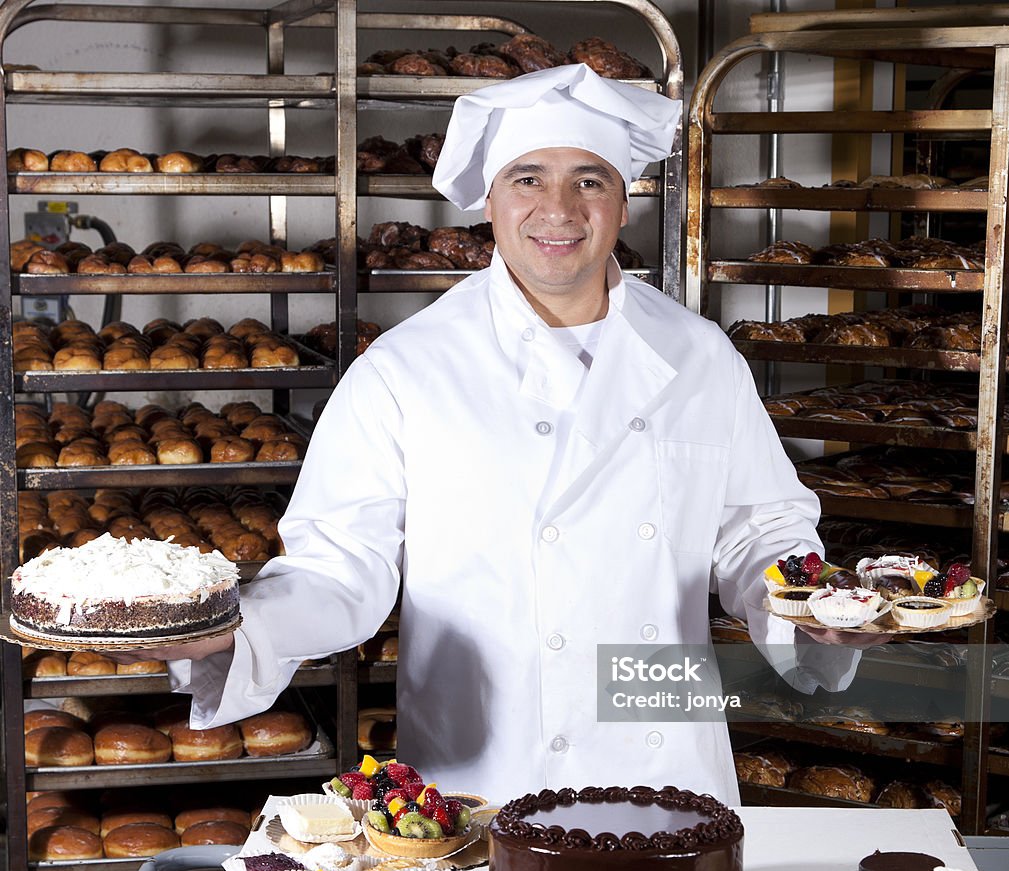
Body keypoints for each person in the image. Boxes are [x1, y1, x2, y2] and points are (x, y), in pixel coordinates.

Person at [141, 65, 851, 804]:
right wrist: (238, 628)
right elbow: (339, 567)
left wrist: (812, 609)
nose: (558, 209)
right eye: (527, 179)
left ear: (624, 203)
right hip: (486, 769)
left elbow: (757, 530)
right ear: (487, 200)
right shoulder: (408, 367)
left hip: (662, 756)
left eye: (589, 180)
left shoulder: (698, 354)